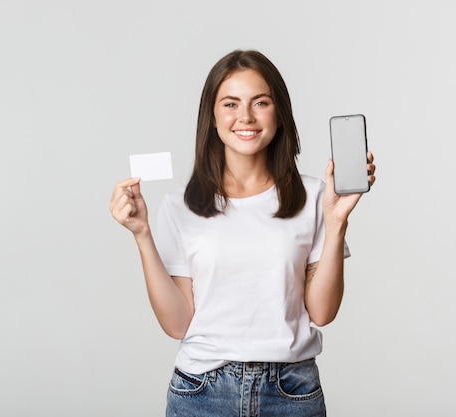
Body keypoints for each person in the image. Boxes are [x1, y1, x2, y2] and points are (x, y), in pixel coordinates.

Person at [110, 49, 376, 417]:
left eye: (260, 102)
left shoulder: (315, 196)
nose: (246, 117)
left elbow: (323, 311)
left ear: (279, 113)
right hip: (202, 392)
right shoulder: (180, 205)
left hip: (291, 391)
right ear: (213, 117)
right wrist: (142, 234)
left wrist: (337, 223)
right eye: (230, 104)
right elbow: (176, 324)